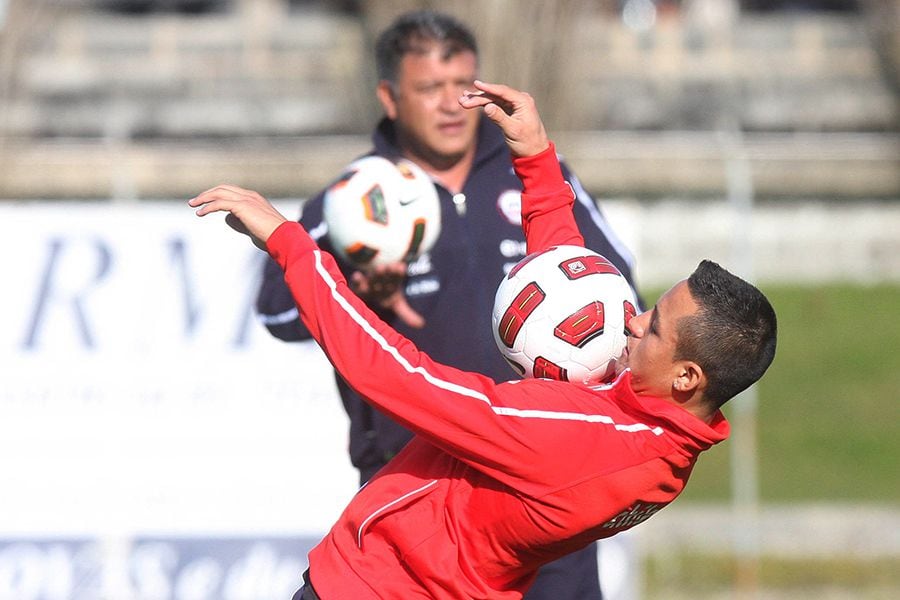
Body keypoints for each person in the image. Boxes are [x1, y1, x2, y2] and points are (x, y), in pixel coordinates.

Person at [190, 79, 777, 600]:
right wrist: (536, 160)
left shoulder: (582, 438)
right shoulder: (658, 427)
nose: (632, 320)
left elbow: (397, 378)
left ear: (687, 376)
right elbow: (568, 292)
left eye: (653, 325)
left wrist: (292, 246)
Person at [256, 11, 638, 597]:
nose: (451, 105)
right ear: (389, 96)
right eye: (429, 89)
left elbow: (618, 285)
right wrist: (362, 289)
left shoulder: (534, 175)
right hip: (418, 493)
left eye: (463, 86)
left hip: (546, 481)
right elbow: (278, 313)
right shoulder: (354, 201)